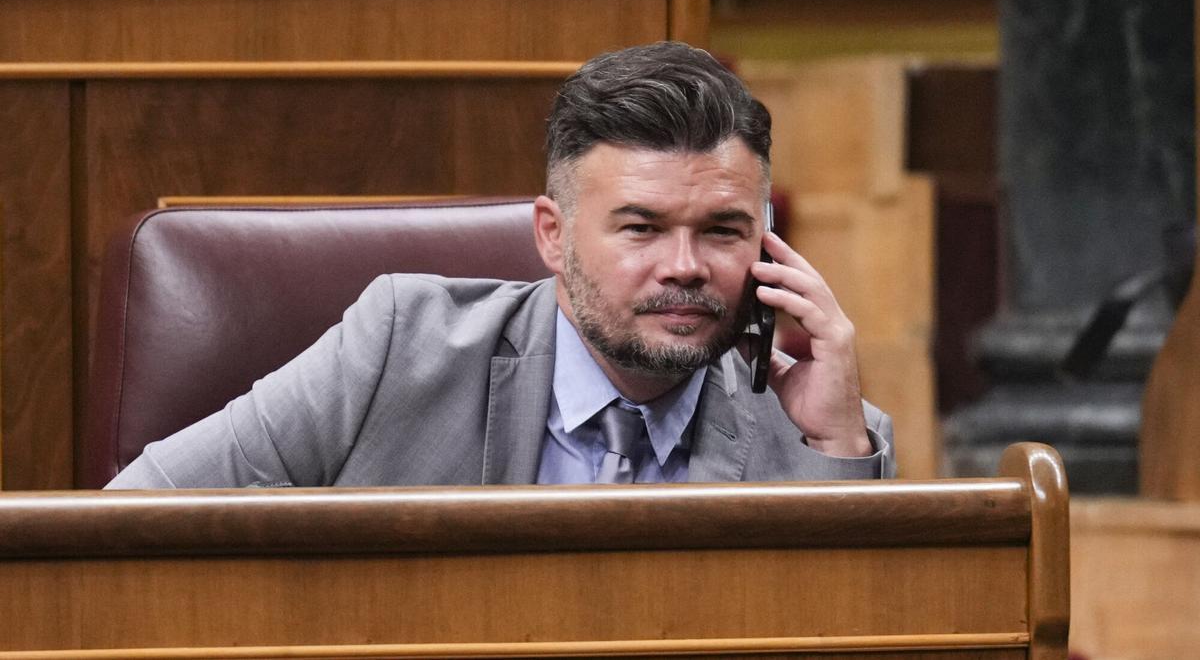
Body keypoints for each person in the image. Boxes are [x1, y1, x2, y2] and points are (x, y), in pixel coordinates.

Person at [106, 41, 895, 489]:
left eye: (722, 230)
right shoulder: (397, 346)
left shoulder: (820, 429)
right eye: (641, 227)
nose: (684, 266)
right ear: (552, 235)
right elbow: (132, 521)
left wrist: (832, 448)